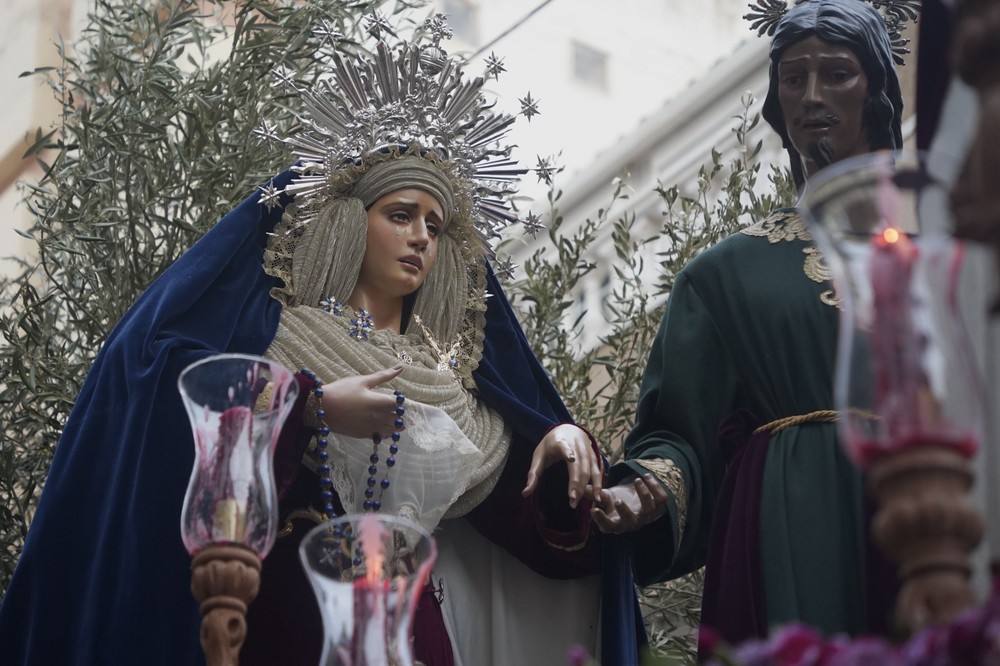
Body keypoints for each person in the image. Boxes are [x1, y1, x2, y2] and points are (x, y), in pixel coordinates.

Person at [0, 21, 643, 666]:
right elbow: (157, 384)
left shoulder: (452, 395)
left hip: (409, 633)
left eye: (434, 225)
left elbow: (536, 524)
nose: (421, 236)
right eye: (400, 214)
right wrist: (307, 406)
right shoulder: (274, 335)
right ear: (346, 222)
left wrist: (560, 442)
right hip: (283, 616)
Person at [588, 0, 907, 646]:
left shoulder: (946, 252)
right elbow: (678, 432)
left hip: (923, 510)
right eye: (794, 78)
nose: (812, 95)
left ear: (875, 87)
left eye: (837, 73)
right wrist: (641, 493)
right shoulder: (726, 274)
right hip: (789, 528)